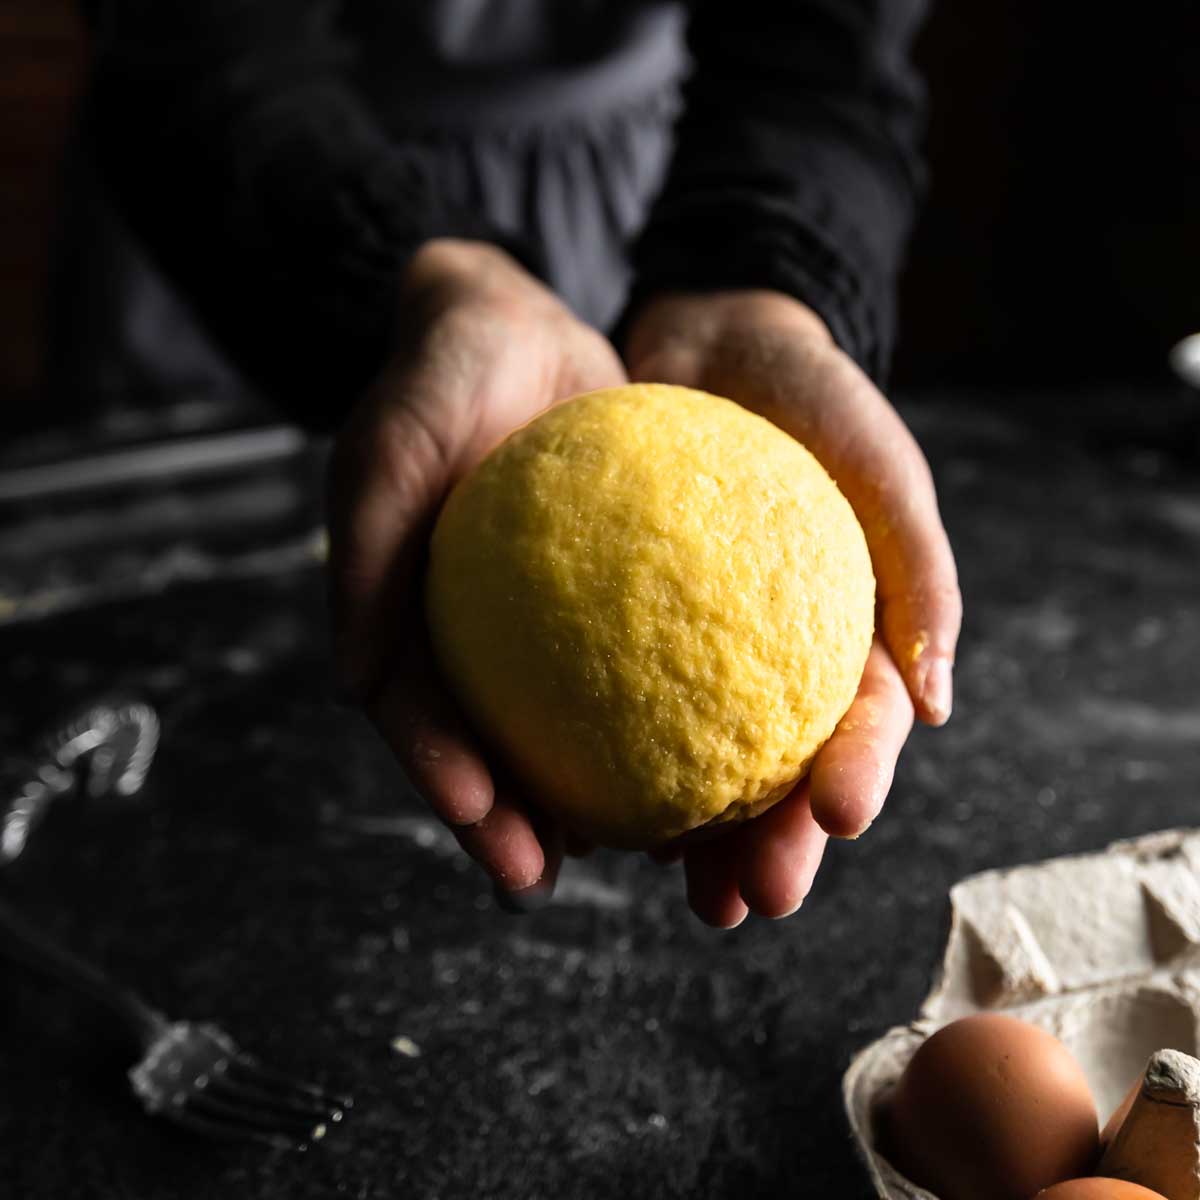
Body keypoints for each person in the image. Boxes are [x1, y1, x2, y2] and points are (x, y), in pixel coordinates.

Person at [82, 1, 961, 927]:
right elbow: (184, 29)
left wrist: (768, 278)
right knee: (180, 686)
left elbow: (826, 52)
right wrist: (415, 278)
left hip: (644, 174)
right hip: (251, 188)